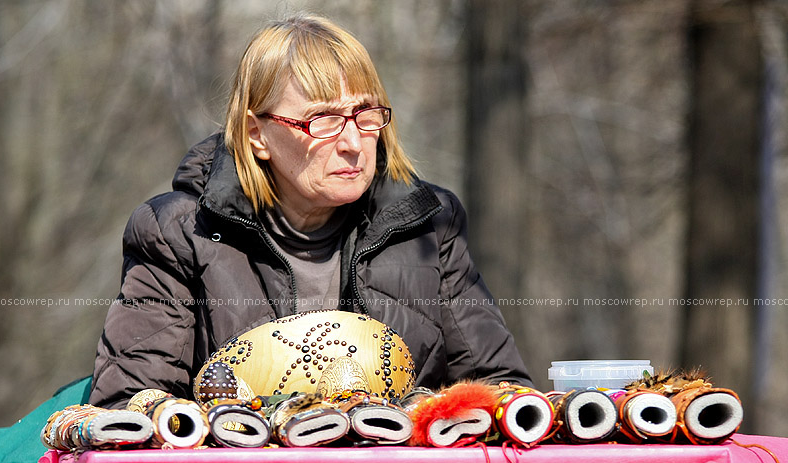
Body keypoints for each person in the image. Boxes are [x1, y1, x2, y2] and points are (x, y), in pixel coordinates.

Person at [89, 14, 533, 409]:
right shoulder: (178, 233)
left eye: (365, 115)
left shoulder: (428, 227)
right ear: (256, 134)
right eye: (322, 120)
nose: (353, 143)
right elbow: (129, 407)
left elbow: (500, 392)